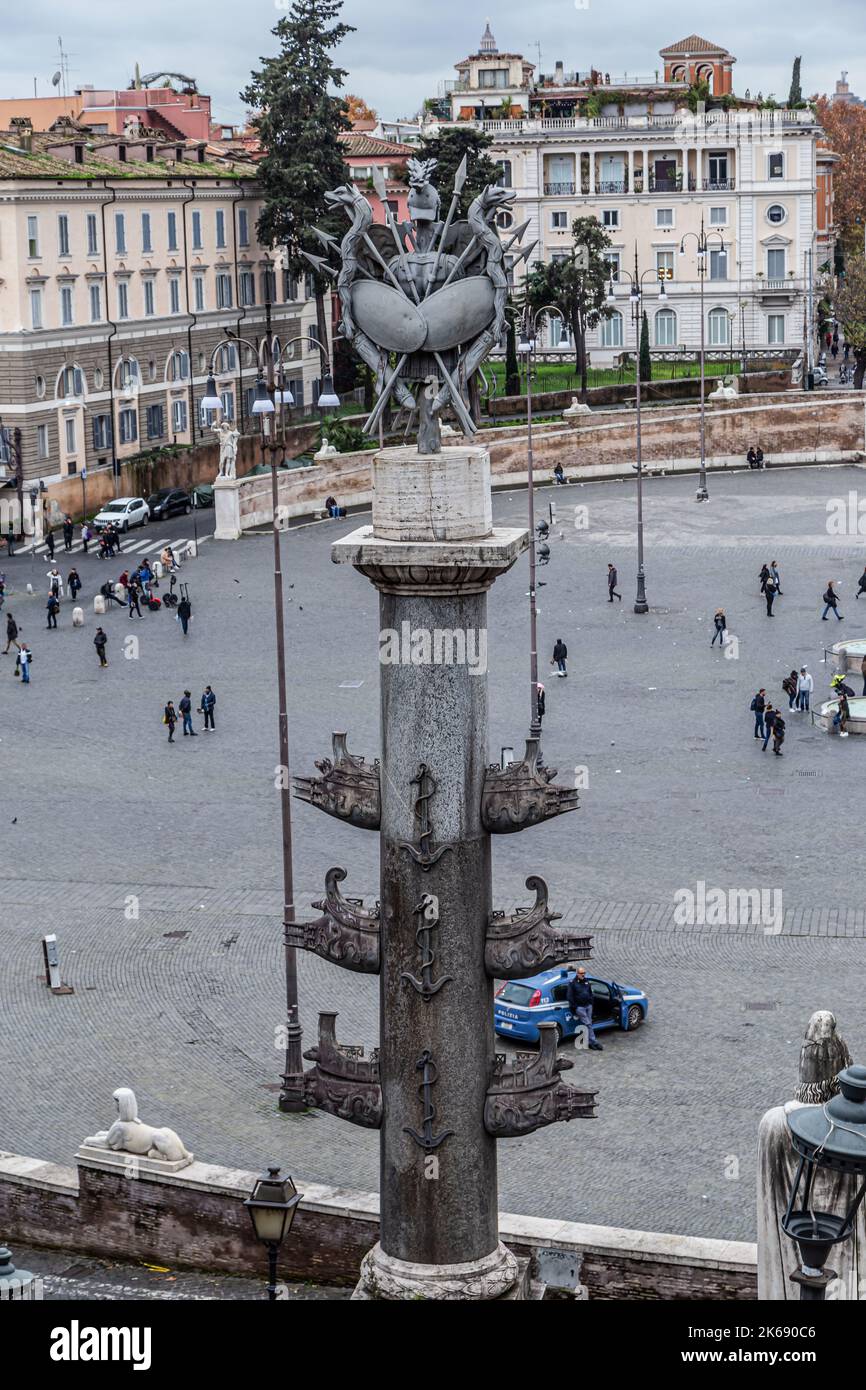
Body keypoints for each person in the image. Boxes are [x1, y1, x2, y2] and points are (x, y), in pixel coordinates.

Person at [566, 966, 603, 1051]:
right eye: (581, 973)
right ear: (577, 974)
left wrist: (591, 1002)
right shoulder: (572, 983)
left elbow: (590, 992)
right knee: (588, 1024)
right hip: (580, 1008)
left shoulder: (586, 981)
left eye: (584, 973)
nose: (583, 975)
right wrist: (575, 1007)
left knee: (589, 1023)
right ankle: (594, 1042)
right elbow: (569, 996)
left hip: (588, 1006)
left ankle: (590, 1043)